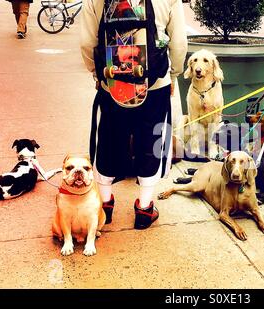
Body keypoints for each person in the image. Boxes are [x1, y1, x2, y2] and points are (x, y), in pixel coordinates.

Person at [80, 0, 187, 229]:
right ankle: (145, 209)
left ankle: (105, 205)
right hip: (155, 83)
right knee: (151, 142)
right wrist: (174, 75)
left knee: (109, 140)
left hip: (112, 83)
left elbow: (87, 42)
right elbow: (179, 43)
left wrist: (98, 76)